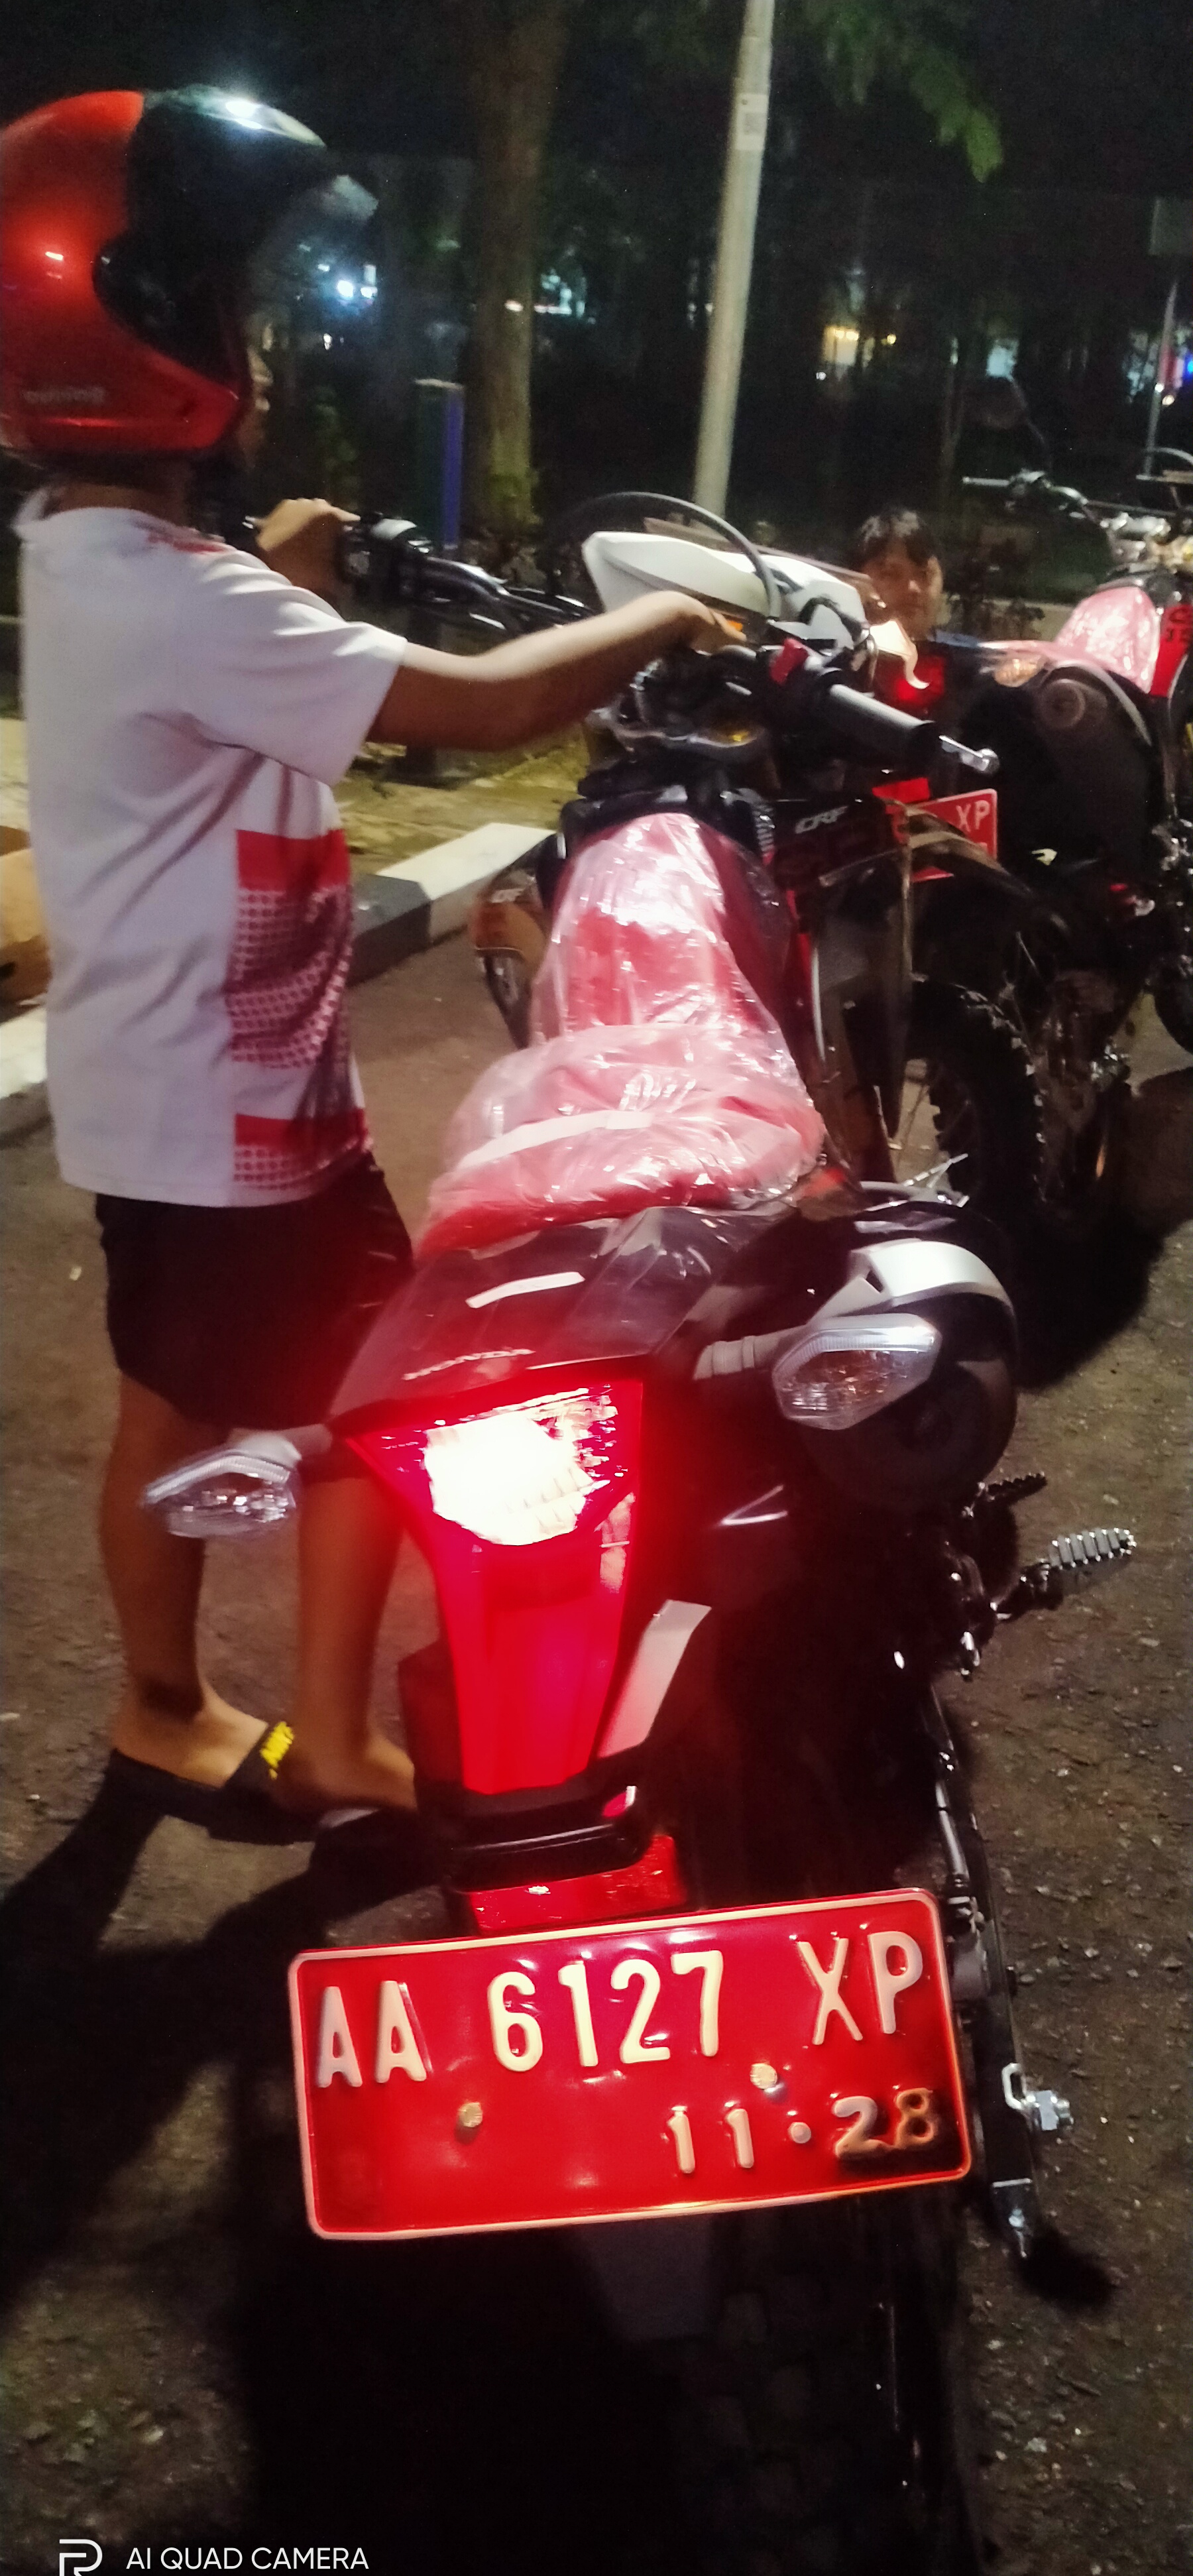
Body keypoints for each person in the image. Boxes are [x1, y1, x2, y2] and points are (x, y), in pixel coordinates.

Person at [1, 88, 728, 1837]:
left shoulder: (108, 563)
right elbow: (483, 709)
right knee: (374, 1407)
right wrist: (664, 612)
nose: (250, 341)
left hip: (184, 1095)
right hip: (233, 1122)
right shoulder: (185, 598)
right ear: (135, 330)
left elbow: (236, 681)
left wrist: (284, 570)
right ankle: (315, 1735)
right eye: (222, 304)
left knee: (178, 1406)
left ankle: (163, 1705)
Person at [853, 506, 946, 652]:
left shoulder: (967, 659)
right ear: (856, 582)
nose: (914, 589)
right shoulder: (831, 659)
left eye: (924, 574)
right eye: (891, 574)